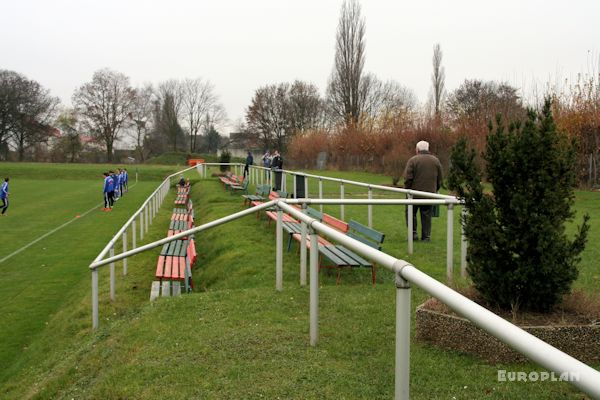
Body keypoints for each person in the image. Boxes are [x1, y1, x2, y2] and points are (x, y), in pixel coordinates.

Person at [403, 140, 443, 241]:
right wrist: (434, 190)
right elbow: (440, 179)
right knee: (426, 216)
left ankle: (413, 234)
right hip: (429, 194)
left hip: (414, 194)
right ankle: (426, 236)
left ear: (417, 149)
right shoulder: (436, 161)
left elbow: (408, 178)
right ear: (428, 149)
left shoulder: (413, 160)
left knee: (411, 213)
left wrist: (407, 190)